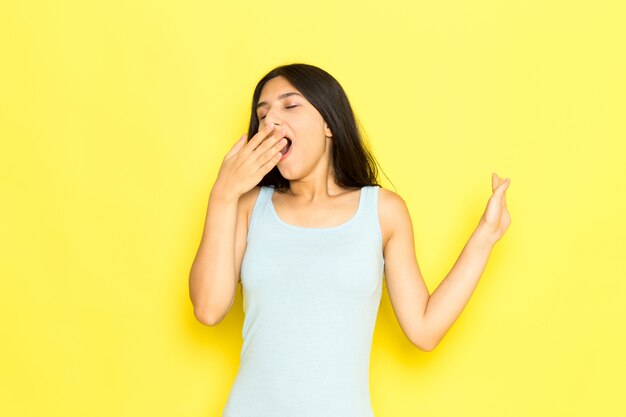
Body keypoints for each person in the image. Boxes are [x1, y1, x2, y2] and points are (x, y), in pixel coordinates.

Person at [189, 63, 511, 417]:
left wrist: (486, 234)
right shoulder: (249, 207)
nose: (271, 122)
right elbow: (208, 309)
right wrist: (222, 194)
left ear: (329, 123)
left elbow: (424, 330)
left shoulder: (382, 211)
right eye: (262, 115)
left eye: (290, 106)